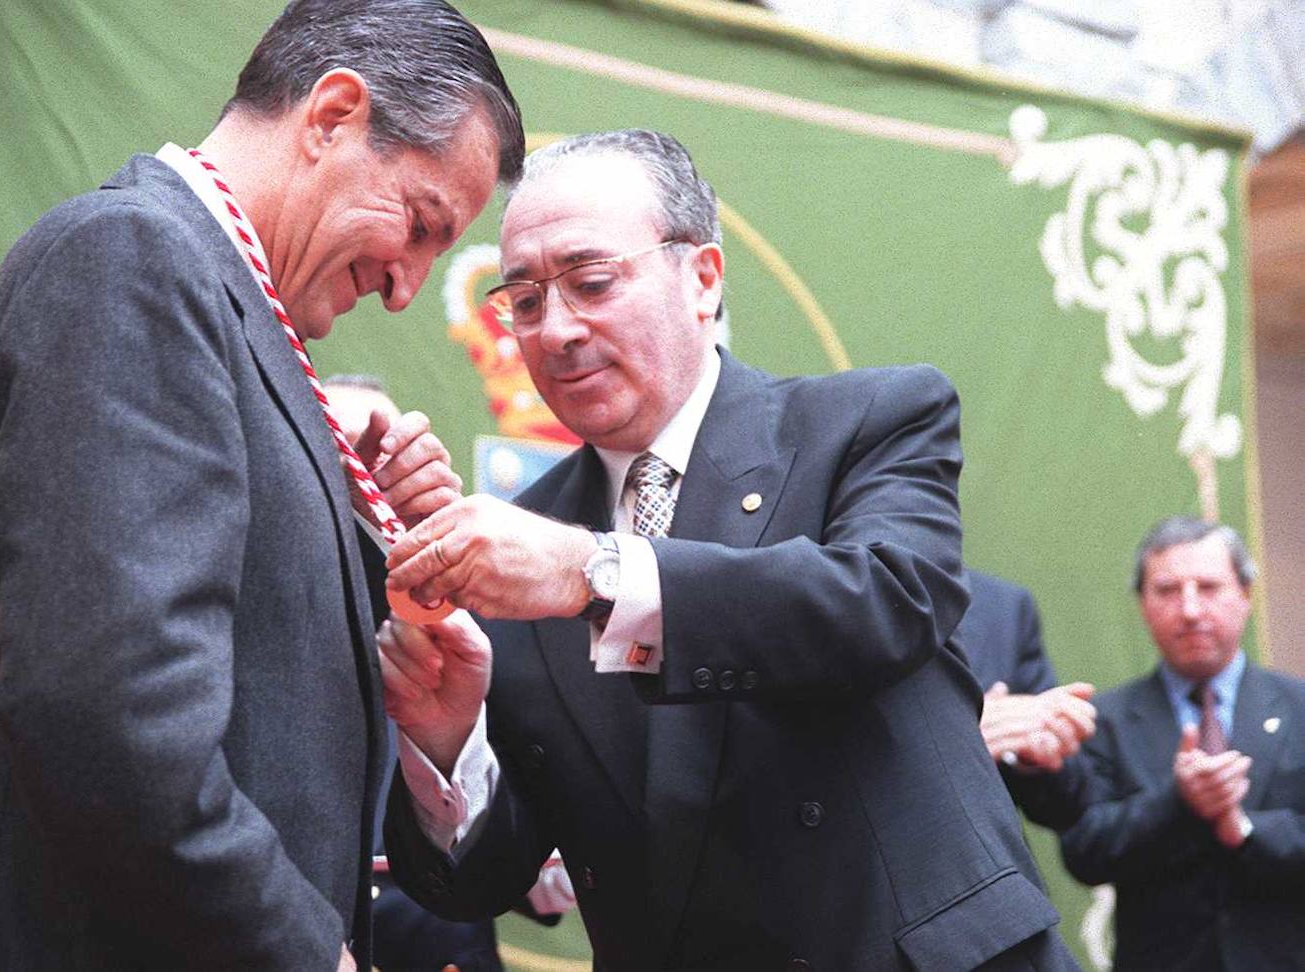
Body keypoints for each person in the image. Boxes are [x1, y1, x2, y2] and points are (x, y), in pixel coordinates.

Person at [375, 129, 1076, 970]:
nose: (555, 330)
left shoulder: (867, 421)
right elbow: (477, 884)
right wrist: (446, 742)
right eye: (524, 302)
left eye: (591, 283)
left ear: (701, 279)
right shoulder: (523, 545)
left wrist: (593, 574)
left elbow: (888, 601)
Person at [0, 1, 523, 968]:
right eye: (419, 225)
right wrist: (304, 953)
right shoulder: (135, 260)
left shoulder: (224, 313)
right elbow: (108, 724)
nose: (407, 285)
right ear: (332, 115)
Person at [323, 375, 573, 972]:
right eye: (351, 455)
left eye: (388, 454)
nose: (373, 475)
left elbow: (522, 866)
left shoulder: (469, 649)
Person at [1060, 517, 1305, 970]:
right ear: (1143, 604)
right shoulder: (1106, 720)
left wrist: (1245, 829)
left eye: (1208, 587)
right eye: (1168, 591)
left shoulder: (1299, 707)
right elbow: (1083, 850)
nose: (1190, 610)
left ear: (1246, 595)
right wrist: (1176, 802)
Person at [958, 568, 1095, 830]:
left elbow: (1070, 804)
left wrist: (1032, 752)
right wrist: (960, 739)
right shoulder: (858, 596)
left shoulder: (1002, 606)